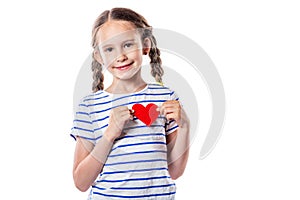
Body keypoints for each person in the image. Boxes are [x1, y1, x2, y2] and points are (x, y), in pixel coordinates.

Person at [70, 7, 190, 199]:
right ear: (99, 56)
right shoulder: (89, 107)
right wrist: (109, 134)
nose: (120, 56)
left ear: (145, 45)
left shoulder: (166, 98)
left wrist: (184, 126)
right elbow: (81, 182)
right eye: (109, 49)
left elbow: (174, 171)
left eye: (127, 45)